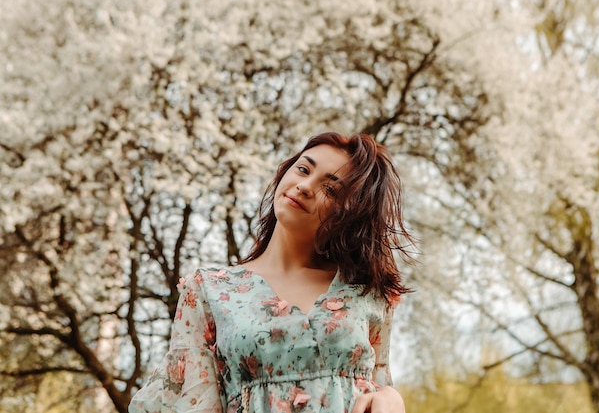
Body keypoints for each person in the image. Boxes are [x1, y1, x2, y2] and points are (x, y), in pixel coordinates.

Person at [129, 132, 416, 413]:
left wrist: (392, 398)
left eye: (330, 189)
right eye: (303, 169)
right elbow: (193, 403)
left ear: (350, 214)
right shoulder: (209, 291)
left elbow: (379, 386)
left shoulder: (368, 294)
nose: (305, 186)